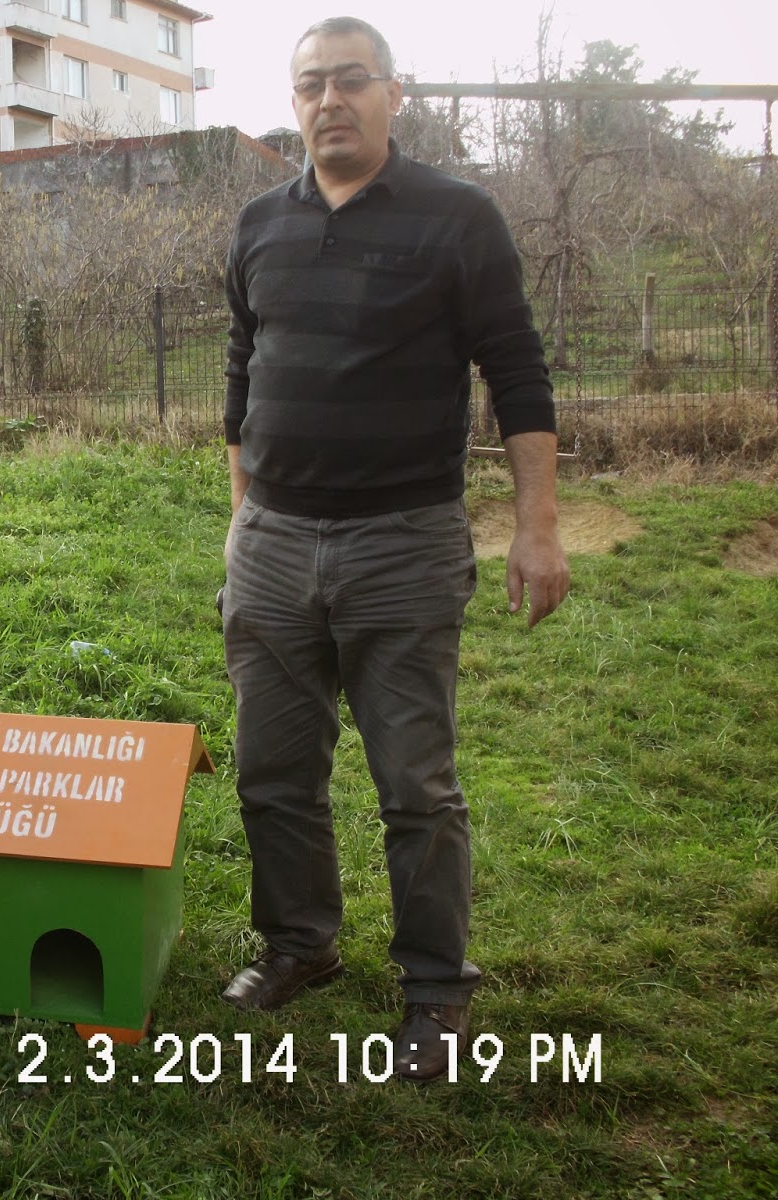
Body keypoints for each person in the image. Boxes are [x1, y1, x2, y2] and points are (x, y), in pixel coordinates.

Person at [218, 16, 570, 1081]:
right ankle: (298, 945)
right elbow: (239, 375)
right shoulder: (256, 225)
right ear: (294, 102)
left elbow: (516, 372)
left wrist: (536, 527)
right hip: (272, 543)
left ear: (392, 94)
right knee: (272, 772)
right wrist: (240, 521)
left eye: (351, 81)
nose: (330, 101)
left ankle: (433, 988)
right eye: (310, 85)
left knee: (415, 783)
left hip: (402, 543)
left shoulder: (457, 219)